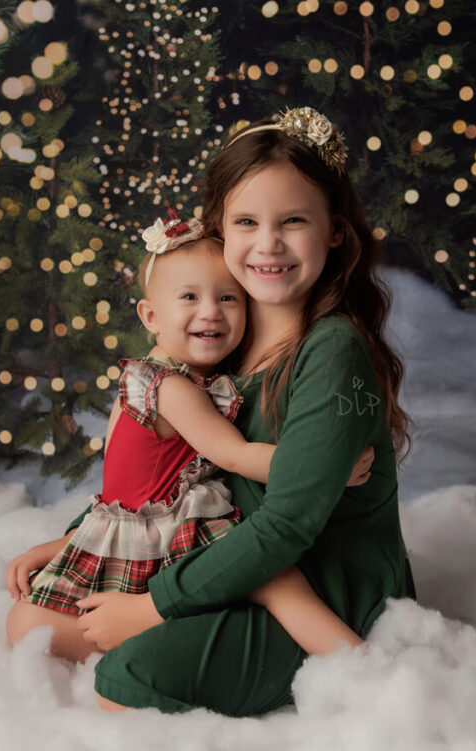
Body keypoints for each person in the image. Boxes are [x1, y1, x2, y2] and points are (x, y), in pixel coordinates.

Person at [72, 106, 416, 716]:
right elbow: (160, 473)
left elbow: (287, 525)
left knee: (127, 681)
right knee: (41, 627)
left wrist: (151, 607)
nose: (268, 245)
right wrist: (67, 544)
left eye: (293, 222)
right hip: (233, 559)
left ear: (334, 230)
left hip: (322, 584)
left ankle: (332, 663)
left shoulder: (331, 348)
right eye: (247, 222)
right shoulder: (224, 332)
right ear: (220, 231)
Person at [5, 208, 369, 662]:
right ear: (151, 315)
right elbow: (234, 456)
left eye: (229, 299)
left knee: (271, 582)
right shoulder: (171, 388)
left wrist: (59, 545)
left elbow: (120, 491)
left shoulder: (144, 377)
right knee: (279, 582)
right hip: (163, 534)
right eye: (190, 297)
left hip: (148, 526)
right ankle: (359, 664)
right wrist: (326, 469)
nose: (211, 313)